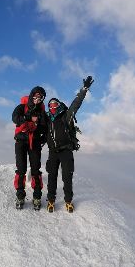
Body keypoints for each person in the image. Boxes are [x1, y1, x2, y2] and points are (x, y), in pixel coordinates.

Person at [45, 76, 94, 213]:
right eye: (51, 105)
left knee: (67, 176)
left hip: (66, 151)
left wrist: (84, 89)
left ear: (59, 105)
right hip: (53, 152)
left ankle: (68, 201)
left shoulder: (66, 115)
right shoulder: (47, 118)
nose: (53, 106)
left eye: (55, 104)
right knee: (51, 176)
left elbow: (76, 103)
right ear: (49, 107)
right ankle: (51, 200)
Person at [12, 86, 47, 210]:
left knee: (36, 170)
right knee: (21, 169)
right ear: (32, 95)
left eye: (40, 97)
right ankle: (20, 196)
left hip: (34, 143)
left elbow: (45, 127)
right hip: (21, 141)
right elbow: (14, 118)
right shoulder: (22, 107)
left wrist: (40, 136)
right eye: (36, 96)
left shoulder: (42, 112)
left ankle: (37, 196)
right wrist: (29, 118)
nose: (37, 99)